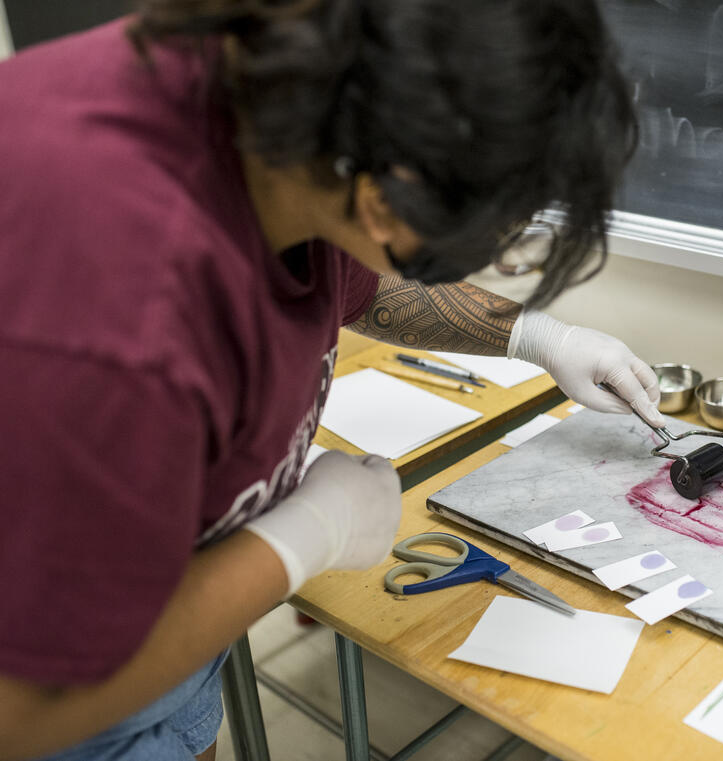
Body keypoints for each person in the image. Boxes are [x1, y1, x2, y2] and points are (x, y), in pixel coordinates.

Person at [0, 1, 665, 759]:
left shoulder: (307, 111)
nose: (499, 245)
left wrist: (537, 335)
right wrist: (298, 541)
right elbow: (23, 708)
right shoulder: (118, 310)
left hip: (161, 639)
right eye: (494, 231)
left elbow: (362, 281)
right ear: (388, 198)